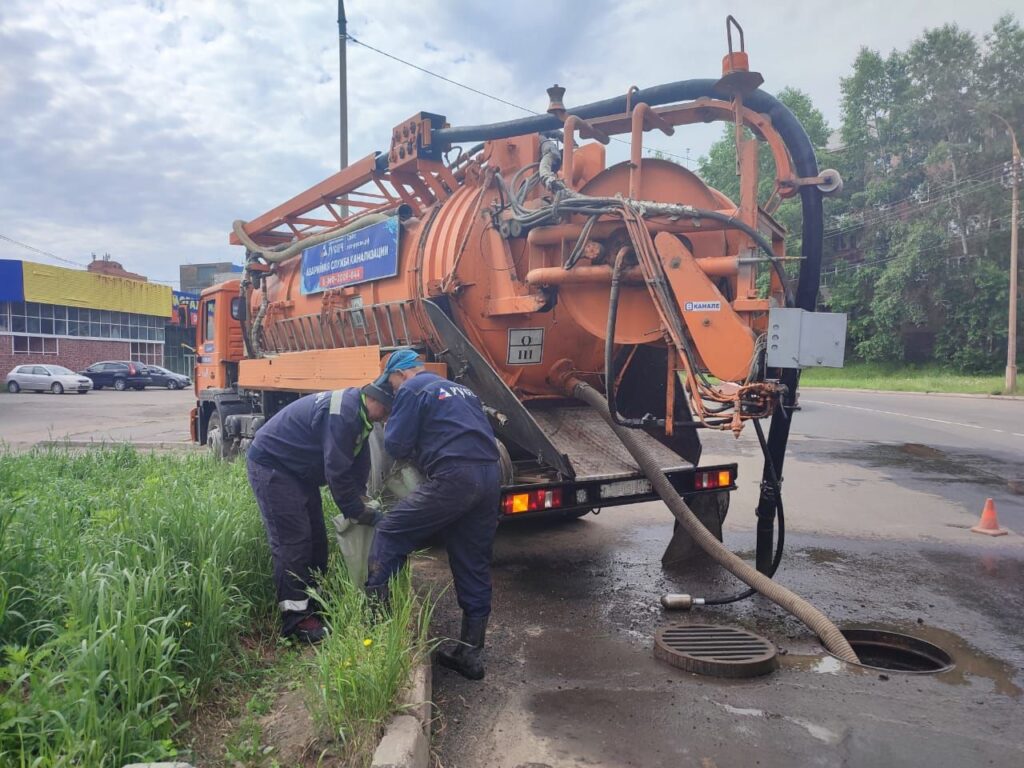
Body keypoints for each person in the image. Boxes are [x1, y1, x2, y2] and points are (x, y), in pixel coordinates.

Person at [366, 348, 501, 680]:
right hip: (489, 475)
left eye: (392, 384)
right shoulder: (461, 389)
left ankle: (379, 631)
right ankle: (470, 654)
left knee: (391, 531)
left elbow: (396, 445)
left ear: (401, 374)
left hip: (454, 477)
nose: (393, 390)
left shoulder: (412, 389)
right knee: (472, 560)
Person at [246, 376, 393, 642]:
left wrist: (361, 496)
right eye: (386, 410)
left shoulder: (362, 414)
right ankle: (295, 620)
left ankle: (312, 603)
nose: (386, 417)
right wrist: (356, 511)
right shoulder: (343, 413)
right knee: (294, 542)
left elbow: (358, 460)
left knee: (316, 541)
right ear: (374, 398)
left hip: (299, 473)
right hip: (274, 466)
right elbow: (336, 470)